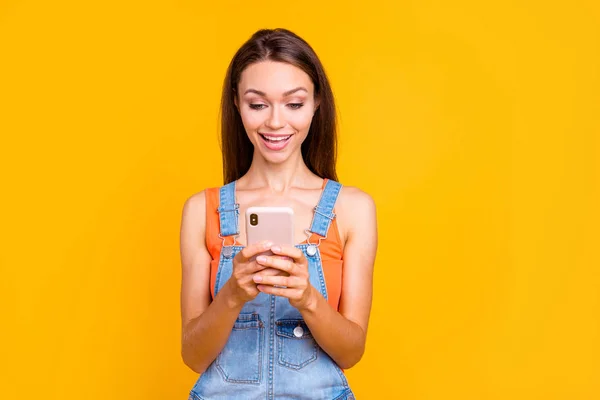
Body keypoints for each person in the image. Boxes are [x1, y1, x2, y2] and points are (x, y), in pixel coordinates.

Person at [179, 28, 378, 399]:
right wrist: (232, 295)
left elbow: (352, 352)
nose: (274, 122)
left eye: (294, 103)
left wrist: (307, 298)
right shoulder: (200, 211)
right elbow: (192, 355)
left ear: (317, 103)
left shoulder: (352, 210)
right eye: (257, 104)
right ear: (237, 105)